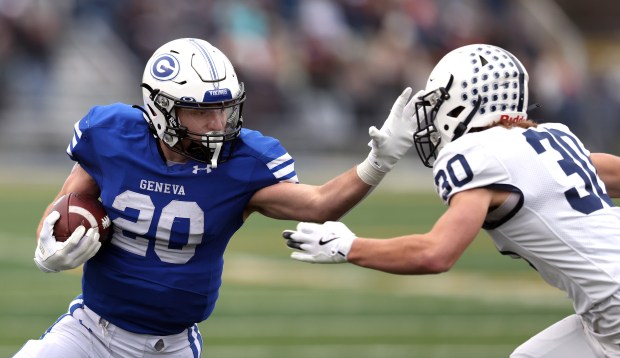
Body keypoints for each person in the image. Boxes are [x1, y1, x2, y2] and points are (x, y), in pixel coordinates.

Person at [14, 37, 419, 357]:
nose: (219, 123)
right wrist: (46, 247)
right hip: (89, 333)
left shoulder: (245, 161)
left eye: (225, 109)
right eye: (202, 112)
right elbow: (63, 207)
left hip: (169, 346)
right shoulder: (111, 135)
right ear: (160, 108)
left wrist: (376, 164)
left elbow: (319, 204)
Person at [283, 43, 620, 358]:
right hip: (603, 311)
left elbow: (435, 254)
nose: (433, 114)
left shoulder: (475, 155)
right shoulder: (554, 137)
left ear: (465, 99)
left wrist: (348, 247)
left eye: (440, 100)